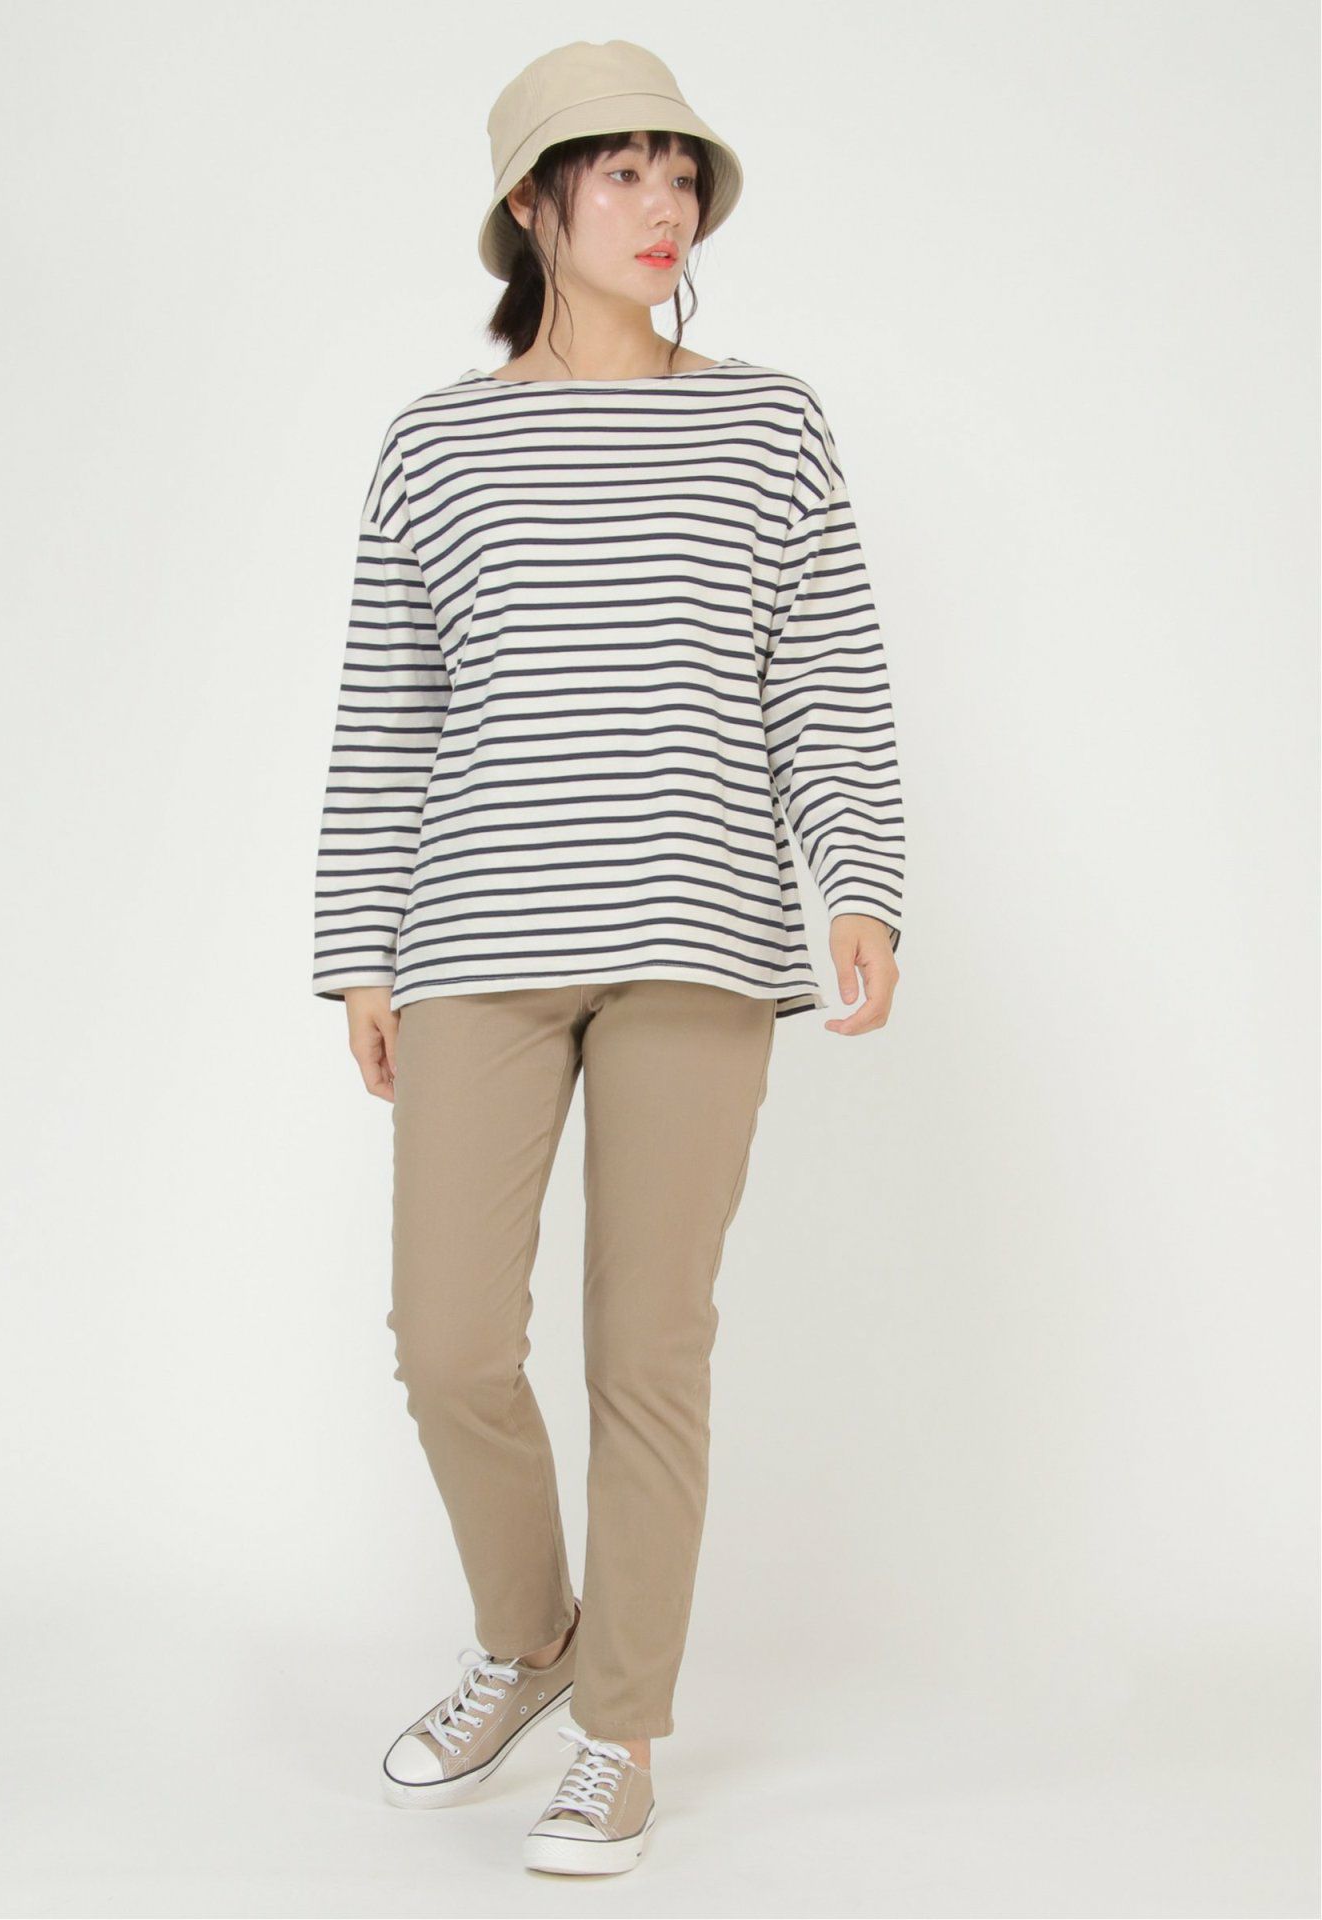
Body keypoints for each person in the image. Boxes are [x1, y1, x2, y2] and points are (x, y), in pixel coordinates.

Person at [310, 38, 906, 1876]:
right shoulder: (435, 442)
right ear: (531, 202)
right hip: (476, 935)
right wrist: (359, 950)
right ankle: (531, 1640)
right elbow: (390, 715)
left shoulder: (770, 424)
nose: (666, 207)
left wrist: (859, 880)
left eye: (681, 172)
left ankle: (620, 1730)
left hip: (697, 933)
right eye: (623, 171)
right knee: (446, 1345)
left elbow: (825, 670)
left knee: (649, 1350)